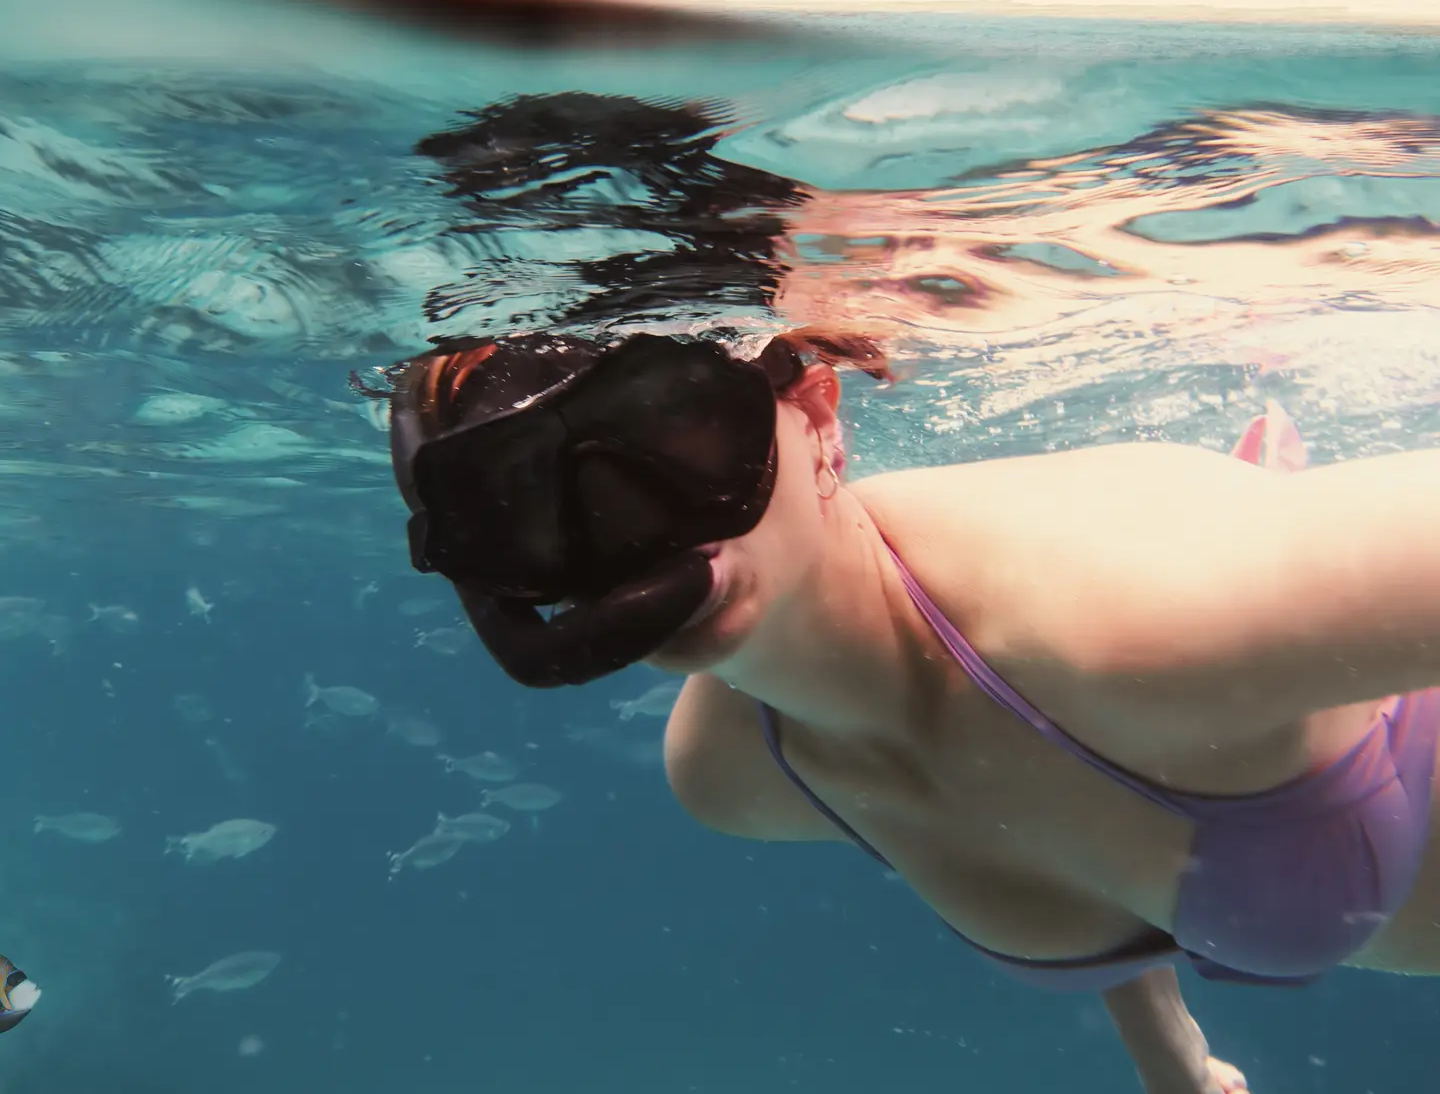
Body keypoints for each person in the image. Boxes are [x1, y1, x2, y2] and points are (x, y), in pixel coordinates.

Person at [389, 329, 1440, 1094]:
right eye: (523, 505)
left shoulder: (1144, 613)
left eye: (676, 435)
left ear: (815, 417)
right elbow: (1061, 822)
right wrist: (1176, 1065)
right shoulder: (736, 769)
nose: (629, 535)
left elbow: (1069, 722)